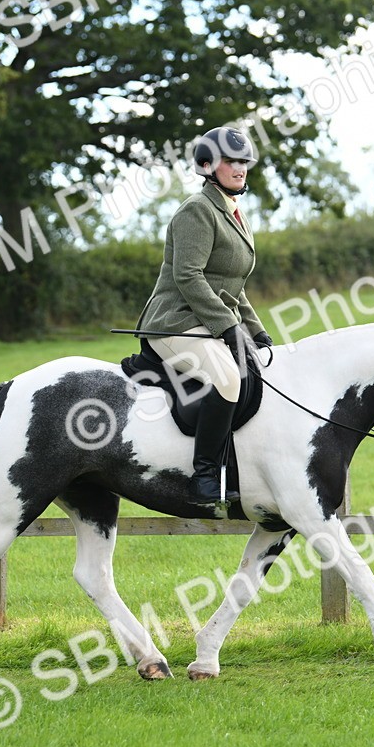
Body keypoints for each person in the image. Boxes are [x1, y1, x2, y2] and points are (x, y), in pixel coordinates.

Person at [135, 126, 273, 506]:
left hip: (204, 321)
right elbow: (188, 276)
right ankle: (204, 476)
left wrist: (257, 331)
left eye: (244, 161)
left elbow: (233, 285)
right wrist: (228, 327)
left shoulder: (234, 214)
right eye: (231, 161)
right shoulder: (197, 210)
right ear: (208, 166)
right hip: (173, 323)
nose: (240, 168)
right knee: (228, 378)